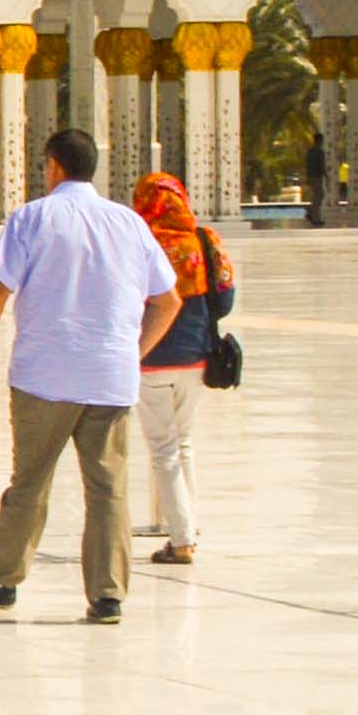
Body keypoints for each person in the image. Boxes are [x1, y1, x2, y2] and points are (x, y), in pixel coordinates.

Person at [0, 127, 183, 624]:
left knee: (31, 481)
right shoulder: (129, 223)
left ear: (54, 166)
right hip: (110, 378)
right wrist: (132, 351)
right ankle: (108, 594)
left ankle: (4, 576)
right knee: (108, 488)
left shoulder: (33, 218)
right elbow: (168, 301)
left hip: (45, 378)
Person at [131, 171, 232, 565]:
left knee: (162, 448)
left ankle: (182, 539)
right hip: (196, 356)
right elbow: (224, 299)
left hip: (150, 357)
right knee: (183, 441)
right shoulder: (205, 241)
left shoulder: (138, 244)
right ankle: (188, 522)